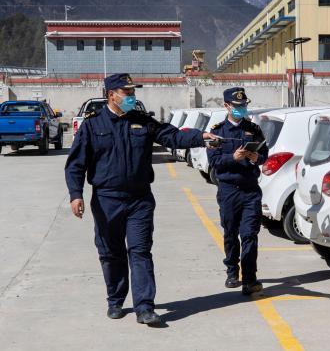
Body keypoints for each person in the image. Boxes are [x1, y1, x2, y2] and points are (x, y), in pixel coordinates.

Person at [65, 73, 219, 325]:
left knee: (140, 251)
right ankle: (115, 300)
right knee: (111, 253)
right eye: (127, 92)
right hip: (106, 200)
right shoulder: (92, 126)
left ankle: (145, 307)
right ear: (111, 95)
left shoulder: (142, 121)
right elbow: (75, 165)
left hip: (139, 200)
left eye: (133, 92)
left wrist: (200, 137)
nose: (132, 96)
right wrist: (75, 194)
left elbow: (172, 136)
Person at [207, 87, 268, 294]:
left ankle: (250, 278)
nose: (241, 109)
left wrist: (256, 158)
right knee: (231, 233)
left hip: (250, 190)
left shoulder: (254, 129)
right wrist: (233, 158)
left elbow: (264, 155)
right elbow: (214, 162)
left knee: (250, 234)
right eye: (237, 106)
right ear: (226, 106)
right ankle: (232, 271)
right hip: (228, 191)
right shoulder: (217, 131)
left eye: (244, 105)